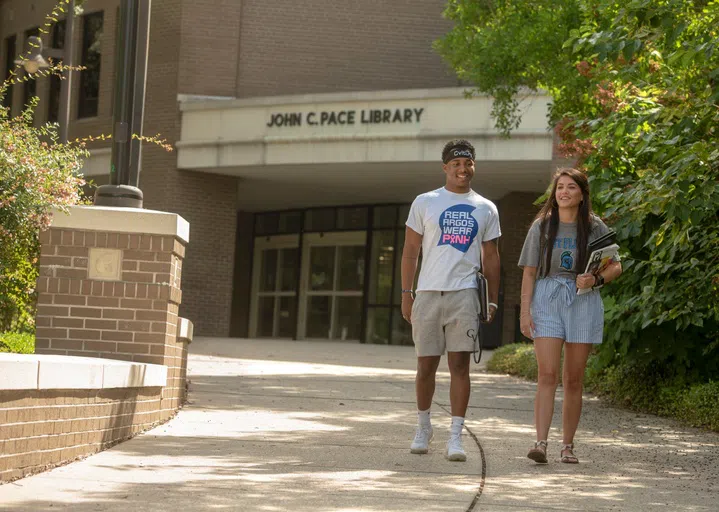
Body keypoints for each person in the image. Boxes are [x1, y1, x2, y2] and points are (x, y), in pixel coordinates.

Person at [401, 139, 501, 461]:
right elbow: (410, 252)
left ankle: (455, 436)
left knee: (459, 366)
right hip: (428, 294)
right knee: (425, 365)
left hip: (465, 295)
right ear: (445, 167)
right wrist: (407, 294)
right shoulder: (425, 202)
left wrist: (493, 300)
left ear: (474, 166)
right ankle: (423, 426)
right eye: (456, 163)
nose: (463, 168)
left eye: (468, 163)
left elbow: (492, 257)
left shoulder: (486, 207)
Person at [518, 168, 622, 464]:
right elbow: (528, 272)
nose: (563, 192)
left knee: (574, 379)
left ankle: (568, 446)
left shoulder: (594, 226)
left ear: (581, 194)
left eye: (570, 187)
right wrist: (525, 313)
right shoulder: (541, 227)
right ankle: (540, 443)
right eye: (559, 187)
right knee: (547, 374)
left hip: (583, 301)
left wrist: (596, 280)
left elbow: (616, 266)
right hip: (547, 298)